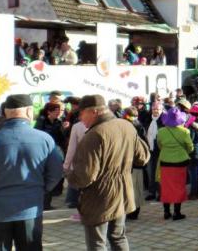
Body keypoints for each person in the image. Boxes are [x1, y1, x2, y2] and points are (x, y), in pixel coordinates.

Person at [0, 94, 64, 250]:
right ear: (29, 111)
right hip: (30, 209)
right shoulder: (45, 139)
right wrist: (42, 190)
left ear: (6, 113)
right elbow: (56, 172)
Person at [67, 95, 150, 250]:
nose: (79, 117)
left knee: (97, 242)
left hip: (99, 198)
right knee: (118, 237)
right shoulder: (126, 126)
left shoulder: (93, 135)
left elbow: (85, 176)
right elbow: (143, 158)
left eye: (81, 113)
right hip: (123, 192)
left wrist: (68, 175)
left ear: (94, 112)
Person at [155, 107, 194, 220]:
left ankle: (166, 212)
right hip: (180, 162)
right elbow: (190, 147)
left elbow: (159, 144)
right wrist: (183, 152)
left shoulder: (161, 131)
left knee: (166, 187)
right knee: (179, 187)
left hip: (165, 162)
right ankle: (177, 213)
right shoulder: (184, 131)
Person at [34, 102, 65, 210]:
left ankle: (47, 203)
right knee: (44, 175)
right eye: (56, 112)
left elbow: (61, 138)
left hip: (54, 150)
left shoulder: (58, 122)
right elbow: (37, 135)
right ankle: (43, 203)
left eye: (59, 112)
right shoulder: (41, 121)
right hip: (42, 150)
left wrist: (63, 129)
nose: (58, 114)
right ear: (49, 112)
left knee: (51, 173)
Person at [122, 107, 148, 220]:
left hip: (129, 163)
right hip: (137, 163)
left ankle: (131, 211)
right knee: (136, 188)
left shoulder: (127, 127)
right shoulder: (139, 126)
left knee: (130, 188)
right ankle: (134, 211)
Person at [63, 116, 87, 214]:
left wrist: (66, 165)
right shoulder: (105, 125)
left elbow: (71, 148)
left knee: (75, 185)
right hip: (96, 164)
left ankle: (73, 205)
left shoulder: (77, 126)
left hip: (79, 162)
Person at [145, 100, 164, 201]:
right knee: (150, 172)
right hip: (150, 149)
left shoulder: (163, 120)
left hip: (160, 150)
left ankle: (160, 193)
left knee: (159, 173)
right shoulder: (149, 119)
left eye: (157, 109)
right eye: (153, 109)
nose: (155, 111)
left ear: (161, 109)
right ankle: (152, 192)